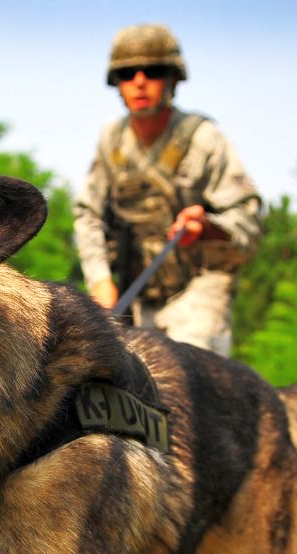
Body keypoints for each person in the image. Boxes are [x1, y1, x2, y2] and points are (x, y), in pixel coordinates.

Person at [73, 23, 262, 356]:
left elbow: (248, 221)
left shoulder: (203, 139)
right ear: (116, 83)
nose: (140, 81)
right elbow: (88, 215)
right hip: (134, 296)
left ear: (173, 79)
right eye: (128, 73)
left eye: (154, 71)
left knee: (190, 371)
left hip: (199, 288)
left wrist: (206, 227)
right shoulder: (112, 141)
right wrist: (100, 280)